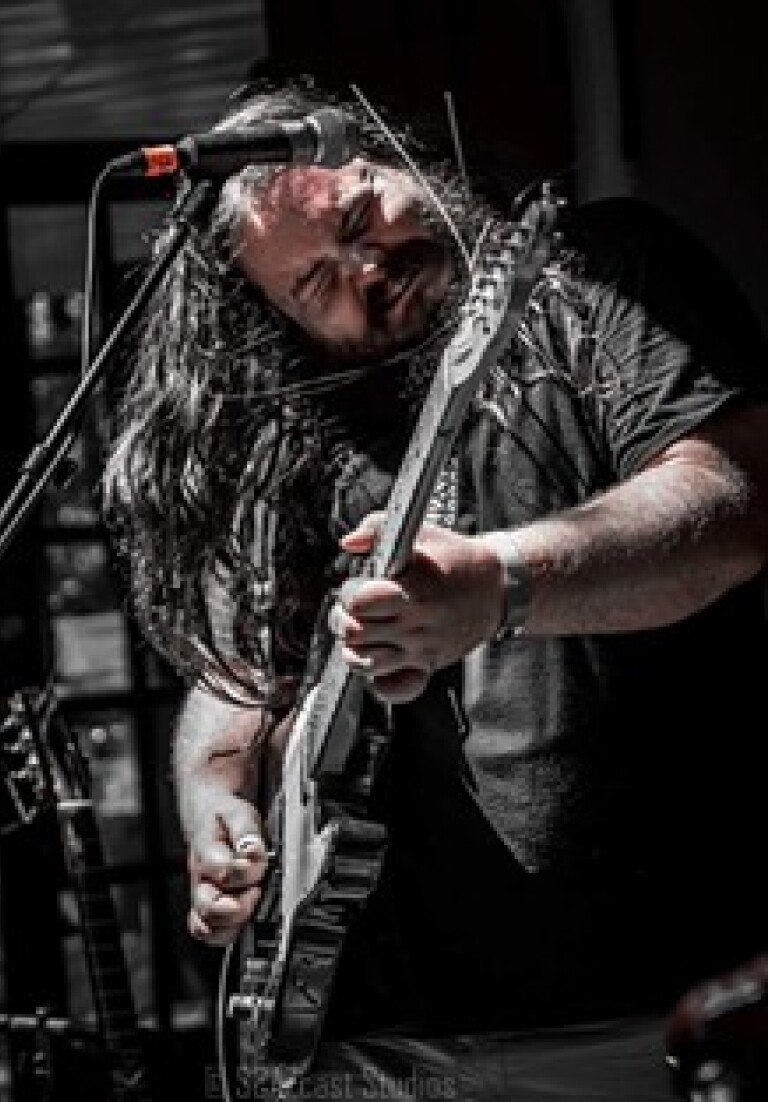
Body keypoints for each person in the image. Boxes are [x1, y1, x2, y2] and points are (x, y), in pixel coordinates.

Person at [102, 78, 768, 1099]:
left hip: (637, 1011)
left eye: (362, 218)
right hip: (368, 1045)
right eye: (317, 282)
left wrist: (499, 581)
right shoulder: (295, 443)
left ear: (392, 153)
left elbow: (728, 500)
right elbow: (237, 680)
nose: (367, 268)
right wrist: (213, 799)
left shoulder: (594, 274)